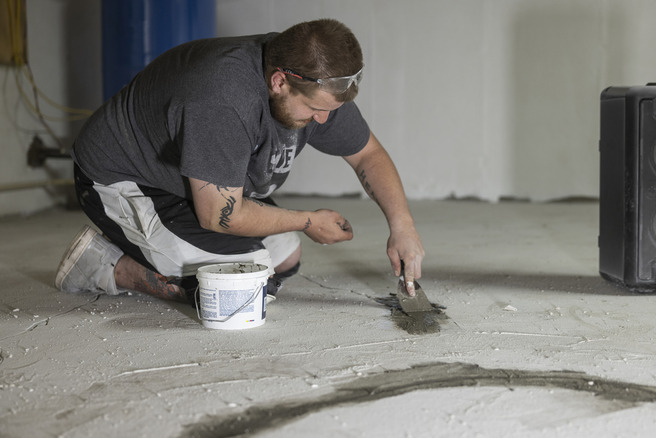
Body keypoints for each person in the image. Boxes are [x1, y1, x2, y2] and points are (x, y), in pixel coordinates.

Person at [54, 18, 424, 305]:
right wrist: (308, 220)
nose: (324, 120)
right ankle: (109, 266)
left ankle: (155, 252)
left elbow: (368, 153)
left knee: (286, 257)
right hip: (125, 179)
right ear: (279, 81)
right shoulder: (222, 97)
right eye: (315, 109)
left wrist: (402, 225)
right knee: (248, 285)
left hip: (191, 182)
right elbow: (220, 216)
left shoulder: (317, 82)